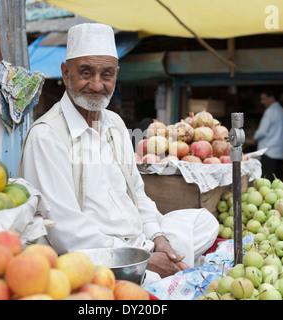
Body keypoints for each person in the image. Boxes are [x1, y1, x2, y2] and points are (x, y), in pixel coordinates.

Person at [16, 23, 219, 282]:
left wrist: (159, 239)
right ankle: (153, 273)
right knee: (152, 276)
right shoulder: (46, 135)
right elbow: (66, 232)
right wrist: (144, 258)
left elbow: (138, 194)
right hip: (92, 255)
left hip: (138, 242)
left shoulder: (114, 124)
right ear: (66, 73)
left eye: (107, 74)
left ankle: (162, 268)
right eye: (86, 73)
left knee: (203, 221)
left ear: (117, 75)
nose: (97, 85)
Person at [253, 88, 283, 181]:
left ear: (271, 97)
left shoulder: (270, 111)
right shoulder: (282, 111)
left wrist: (254, 138)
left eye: (264, 98)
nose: (262, 102)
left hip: (268, 152)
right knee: (276, 182)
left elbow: (261, 132)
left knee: (266, 182)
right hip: (280, 153)